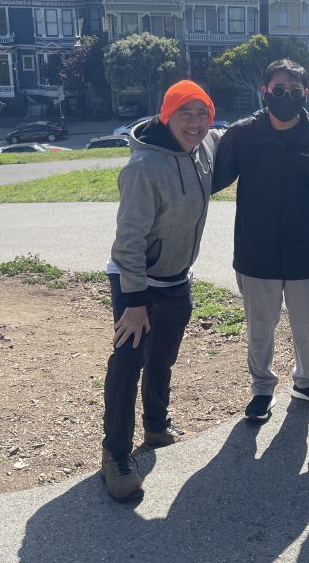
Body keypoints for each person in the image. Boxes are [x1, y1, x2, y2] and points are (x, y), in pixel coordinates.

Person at [213, 59, 309, 422]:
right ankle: (262, 388)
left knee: (308, 327)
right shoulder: (243, 135)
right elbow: (208, 179)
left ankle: (305, 383)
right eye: (278, 90)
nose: (285, 97)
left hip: (307, 254)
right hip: (255, 253)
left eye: (294, 92)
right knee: (260, 327)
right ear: (264, 92)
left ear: (305, 95)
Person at [101, 80, 220, 502]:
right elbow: (128, 241)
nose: (195, 122)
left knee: (163, 357)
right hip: (137, 282)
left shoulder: (203, 149)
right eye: (184, 113)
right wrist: (134, 304)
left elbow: (234, 132)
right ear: (166, 115)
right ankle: (115, 454)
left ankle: (155, 424)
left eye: (202, 112)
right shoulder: (142, 169)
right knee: (128, 361)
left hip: (176, 278)